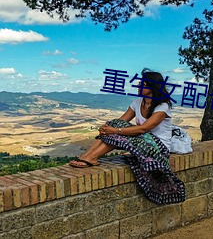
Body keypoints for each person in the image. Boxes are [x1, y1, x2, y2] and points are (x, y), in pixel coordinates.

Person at [69, 68, 185, 204]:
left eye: (142, 84)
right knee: (114, 124)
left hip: (158, 147)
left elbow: (144, 128)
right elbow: (122, 121)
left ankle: (92, 157)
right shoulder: (138, 102)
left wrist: (115, 130)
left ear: (152, 87)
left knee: (117, 130)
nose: (138, 86)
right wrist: (107, 128)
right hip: (142, 140)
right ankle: (87, 156)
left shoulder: (163, 106)